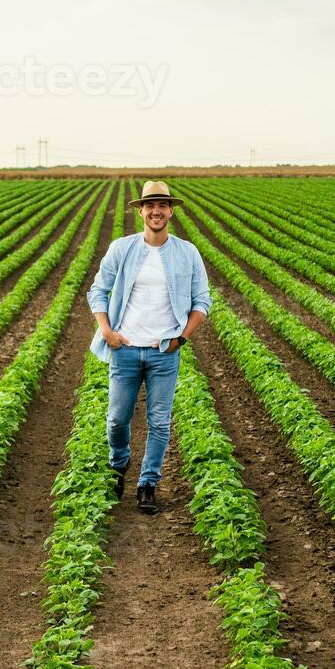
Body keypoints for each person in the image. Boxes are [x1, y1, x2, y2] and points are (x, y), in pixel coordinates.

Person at [86, 181, 211, 514]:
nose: (156, 211)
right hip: (125, 349)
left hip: (163, 352)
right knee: (116, 419)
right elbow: (97, 291)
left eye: (163, 205)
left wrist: (181, 338)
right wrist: (107, 330)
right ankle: (119, 464)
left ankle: (148, 484)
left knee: (159, 422)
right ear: (140, 210)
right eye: (150, 205)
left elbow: (202, 301)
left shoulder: (188, 253)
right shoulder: (122, 248)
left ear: (171, 211)